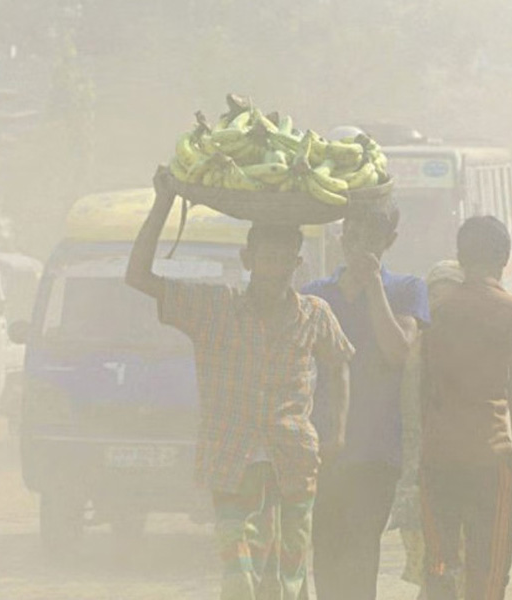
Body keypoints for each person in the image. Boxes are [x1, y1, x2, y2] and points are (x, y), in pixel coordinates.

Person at [126, 169, 354, 600]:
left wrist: (336, 431)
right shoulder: (213, 308)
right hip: (233, 460)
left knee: (289, 577)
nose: (274, 268)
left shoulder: (315, 314)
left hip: (294, 460)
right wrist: (163, 203)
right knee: (241, 578)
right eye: (266, 258)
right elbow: (138, 276)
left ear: (296, 263)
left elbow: (339, 365)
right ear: (248, 259)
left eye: (283, 259)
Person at [301, 204, 429, 600]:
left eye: (372, 238)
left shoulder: (406, 288)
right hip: (322, 450)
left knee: (360, 558)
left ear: (388, 242)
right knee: (326, 557)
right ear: (342, 237)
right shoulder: (314, 295)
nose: (360, 245)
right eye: (353, 235)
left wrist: (373, 286)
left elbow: (397, 352)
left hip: (377, 453)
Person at [421, 216, 512, 600]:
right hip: (491, 452)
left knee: (440, 560)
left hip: (438, 454)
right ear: (504, 258)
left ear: (461, 257)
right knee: (489, 564)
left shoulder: (435, 310)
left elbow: (424, 385)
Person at [392, 260, 465, 600]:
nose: (441, 302)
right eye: (435, 294)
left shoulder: (471, 346)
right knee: (424, 552)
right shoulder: (411, 340)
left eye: (450, 295)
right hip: (417, 462)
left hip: (457, 463)